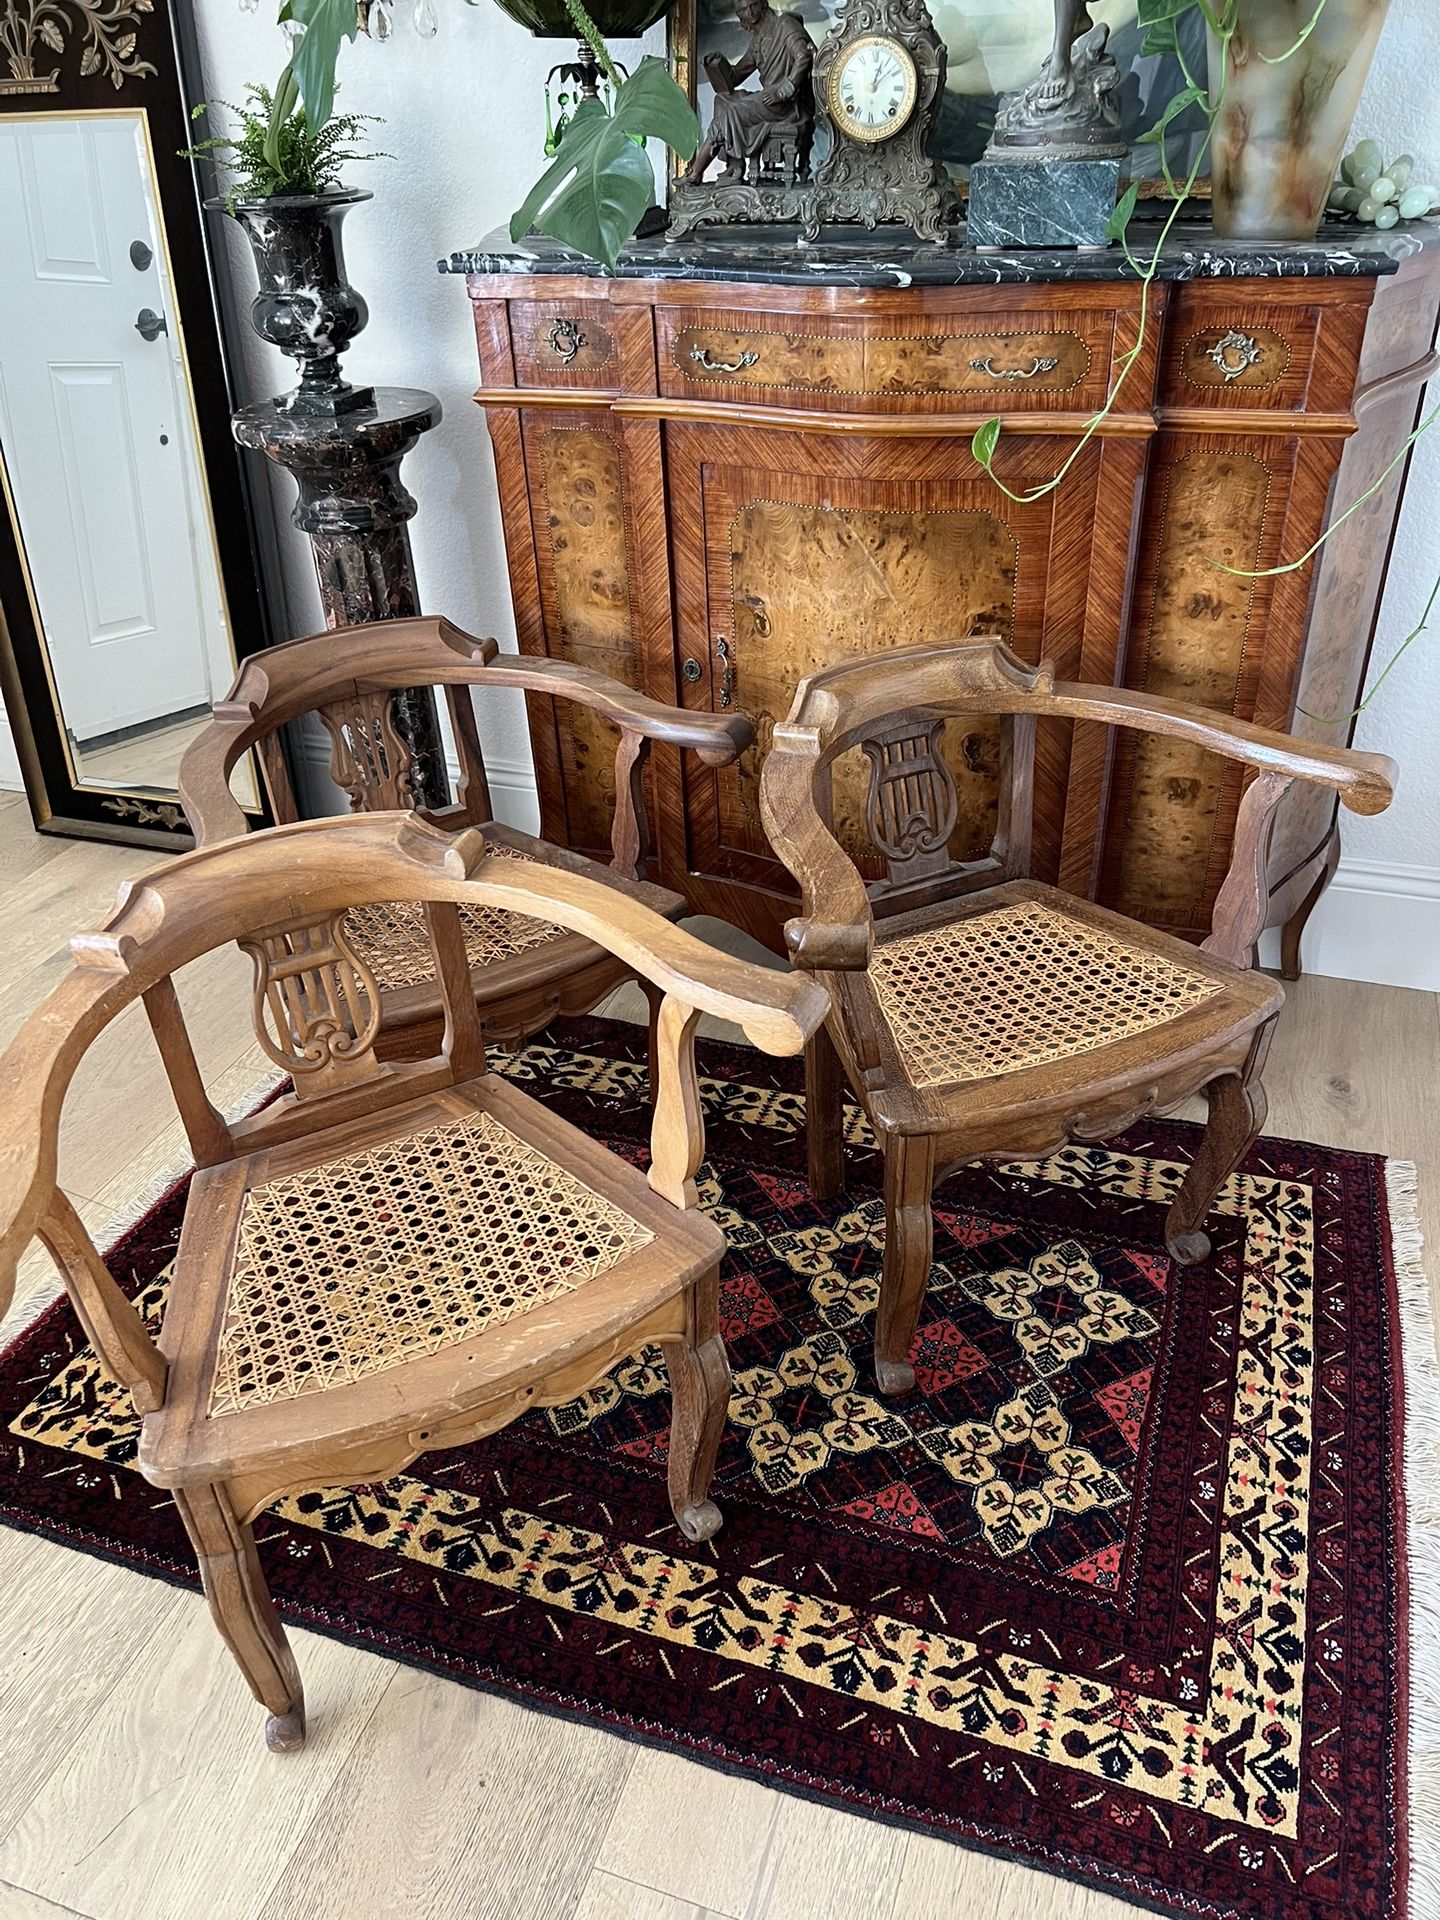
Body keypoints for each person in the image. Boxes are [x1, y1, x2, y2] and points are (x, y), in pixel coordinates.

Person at [683, 0, 815, 188]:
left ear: (762, 4)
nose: (750, 11)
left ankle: (695, 172)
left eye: (753, 5)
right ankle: (734, 165)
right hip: (769, 99)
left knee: (733, 111)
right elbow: (736, 77)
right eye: (743, 9)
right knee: (722, 100)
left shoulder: (785, 24)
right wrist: (718, 64)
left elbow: (804, 57)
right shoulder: (757, 42)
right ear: (740, 15)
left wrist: (785, 90)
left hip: (786, 104)